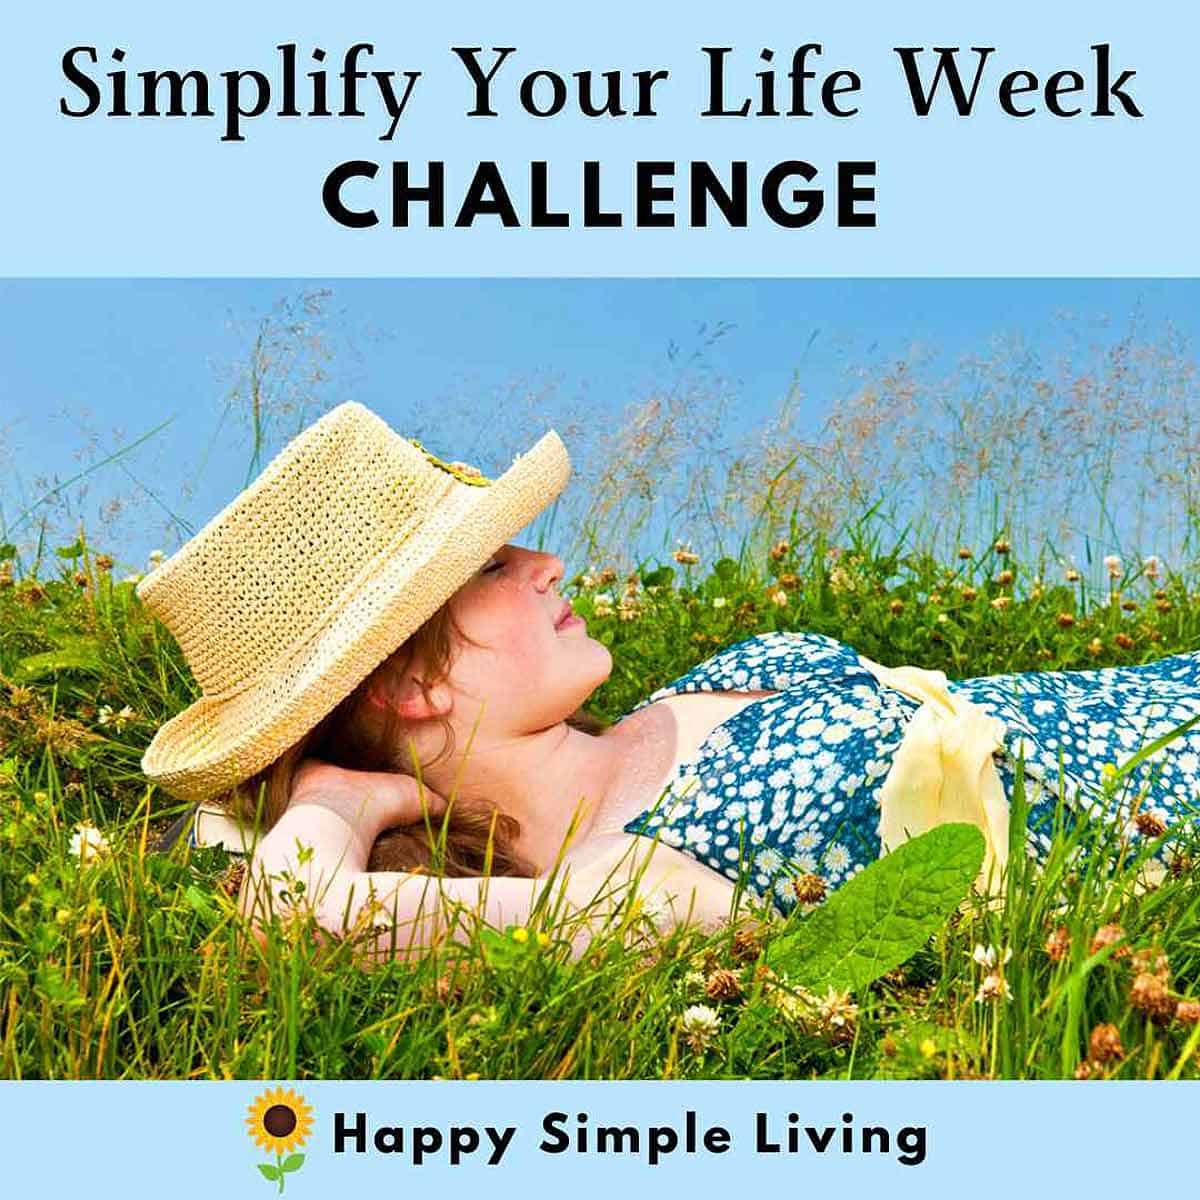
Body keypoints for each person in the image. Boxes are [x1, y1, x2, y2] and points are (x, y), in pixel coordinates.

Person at [139, 403, 1200, 960]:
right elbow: (293, 919)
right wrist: (339, 795)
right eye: (493, 568)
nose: (545, 562)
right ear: (407, 687)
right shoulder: (624, 883)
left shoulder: (689, 691)